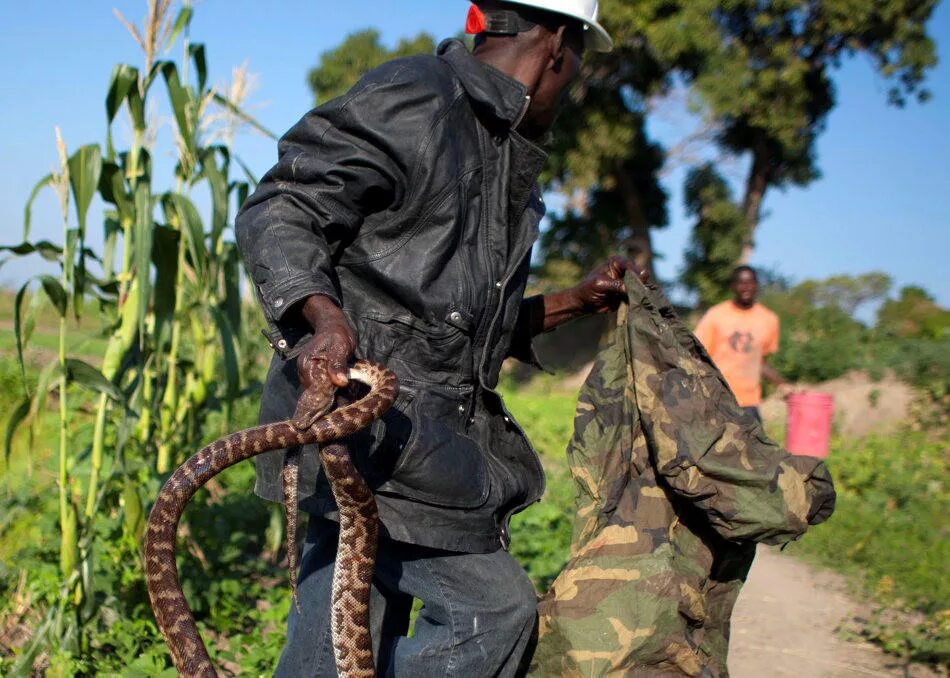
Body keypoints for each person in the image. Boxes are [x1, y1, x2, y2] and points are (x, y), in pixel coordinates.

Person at [235, 2, 635, 675]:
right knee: (495, 610)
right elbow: (285, 205)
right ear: (559, 46)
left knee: (339, 632)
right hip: (363, 427)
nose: (569, 88)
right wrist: (325, 319)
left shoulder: (507, 158)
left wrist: (575, 301)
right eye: (576, 70)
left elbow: (459, 331)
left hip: (422, 444)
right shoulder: (419, 97)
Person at [694, 265, 789, 421]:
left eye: (750, 282)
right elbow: (696, 354)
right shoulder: (716, 316)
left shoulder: (768, 319)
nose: (746, 287)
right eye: (741, 283)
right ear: (733, 286)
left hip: (749, 402)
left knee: (753, 444)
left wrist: (782, 384)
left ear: (757, 285)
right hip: (717, 398)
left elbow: (760, 362)